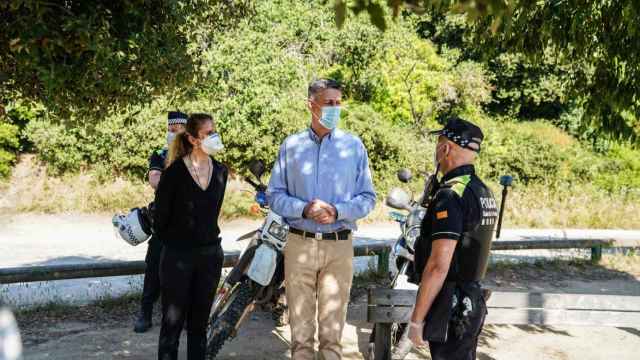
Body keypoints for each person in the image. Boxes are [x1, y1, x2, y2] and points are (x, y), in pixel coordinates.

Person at [267, 79, 377, 360]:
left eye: (338, 103)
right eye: (329, 103)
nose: (335, 108)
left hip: (338, 246)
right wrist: (304, 209)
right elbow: (275, 195)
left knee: (332, 336)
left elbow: (368, 198)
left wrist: (338, 211)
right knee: (301, 336)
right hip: (299, 245)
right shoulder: (291, 146)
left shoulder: (353, 147)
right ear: (311, 105)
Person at [408, 117, 498, 360]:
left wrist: (417, 319)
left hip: (452, 304)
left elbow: (438, 265)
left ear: (445, 148)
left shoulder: (450, 194)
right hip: (473, 300)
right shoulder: (481, 190)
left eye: (438, 144)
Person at [153, 113, 228, 360]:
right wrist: (179, 241)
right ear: (193, 139)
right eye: (208, 133)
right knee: (172, 325)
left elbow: (212, 213)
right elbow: (161, 218)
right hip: (177, 257)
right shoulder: (174, 172)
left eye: (214, 131)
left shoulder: (220, 171)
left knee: (199, 326)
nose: (214, 137)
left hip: (209, 257)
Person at [134, 111, 188, 333]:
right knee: (154, 266)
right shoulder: (160, 154)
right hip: (163, 222)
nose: (174, 133)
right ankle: (145, 312)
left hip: (187, 223)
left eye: (179, 130)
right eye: (171, 129)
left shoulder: (195, 155)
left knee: (185, 270)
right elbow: (155, 180)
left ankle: (183, 316)